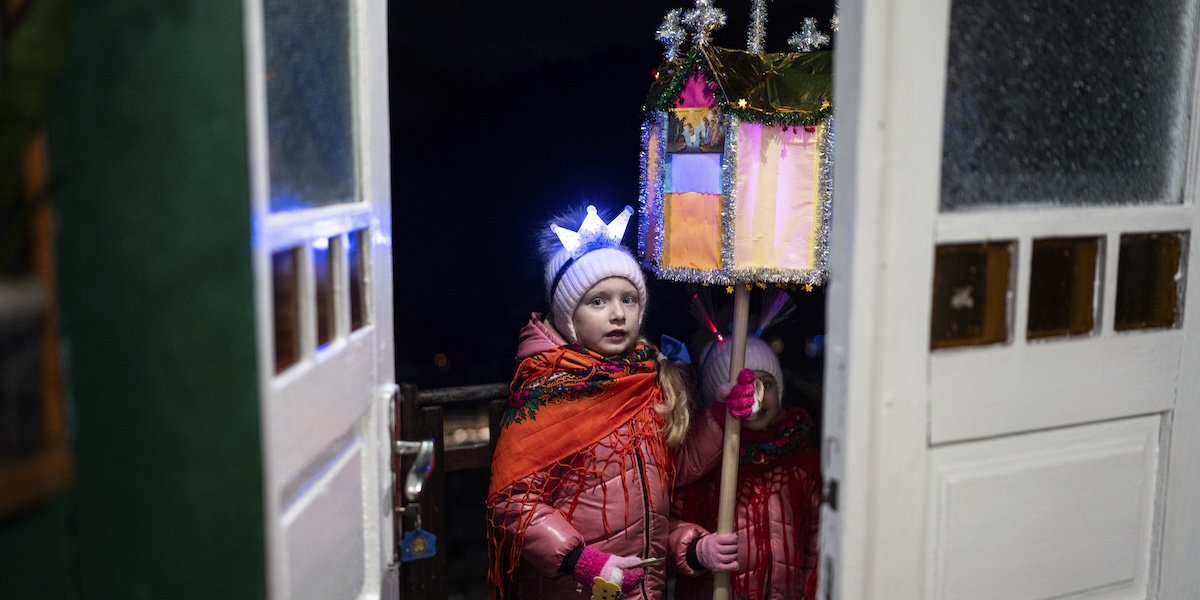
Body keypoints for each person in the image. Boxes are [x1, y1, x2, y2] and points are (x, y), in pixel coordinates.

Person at [486, 204, 754, 599]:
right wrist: (582, 562)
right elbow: (511, 502)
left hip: (643, 588)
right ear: (568, 314)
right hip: (574, 588)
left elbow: (668, 470)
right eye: (598, 301)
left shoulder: (647, 376)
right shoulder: (546, 393)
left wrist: (720, 417)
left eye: (629, 300)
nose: (617, 314)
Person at [671, 335, 823, 600]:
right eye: (748, 387)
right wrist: (696, 550)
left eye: (767, 384)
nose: (759, 397)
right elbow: (667, 528)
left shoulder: (799, 459)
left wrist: (812, 590)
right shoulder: (703, 465)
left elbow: (817, 539)